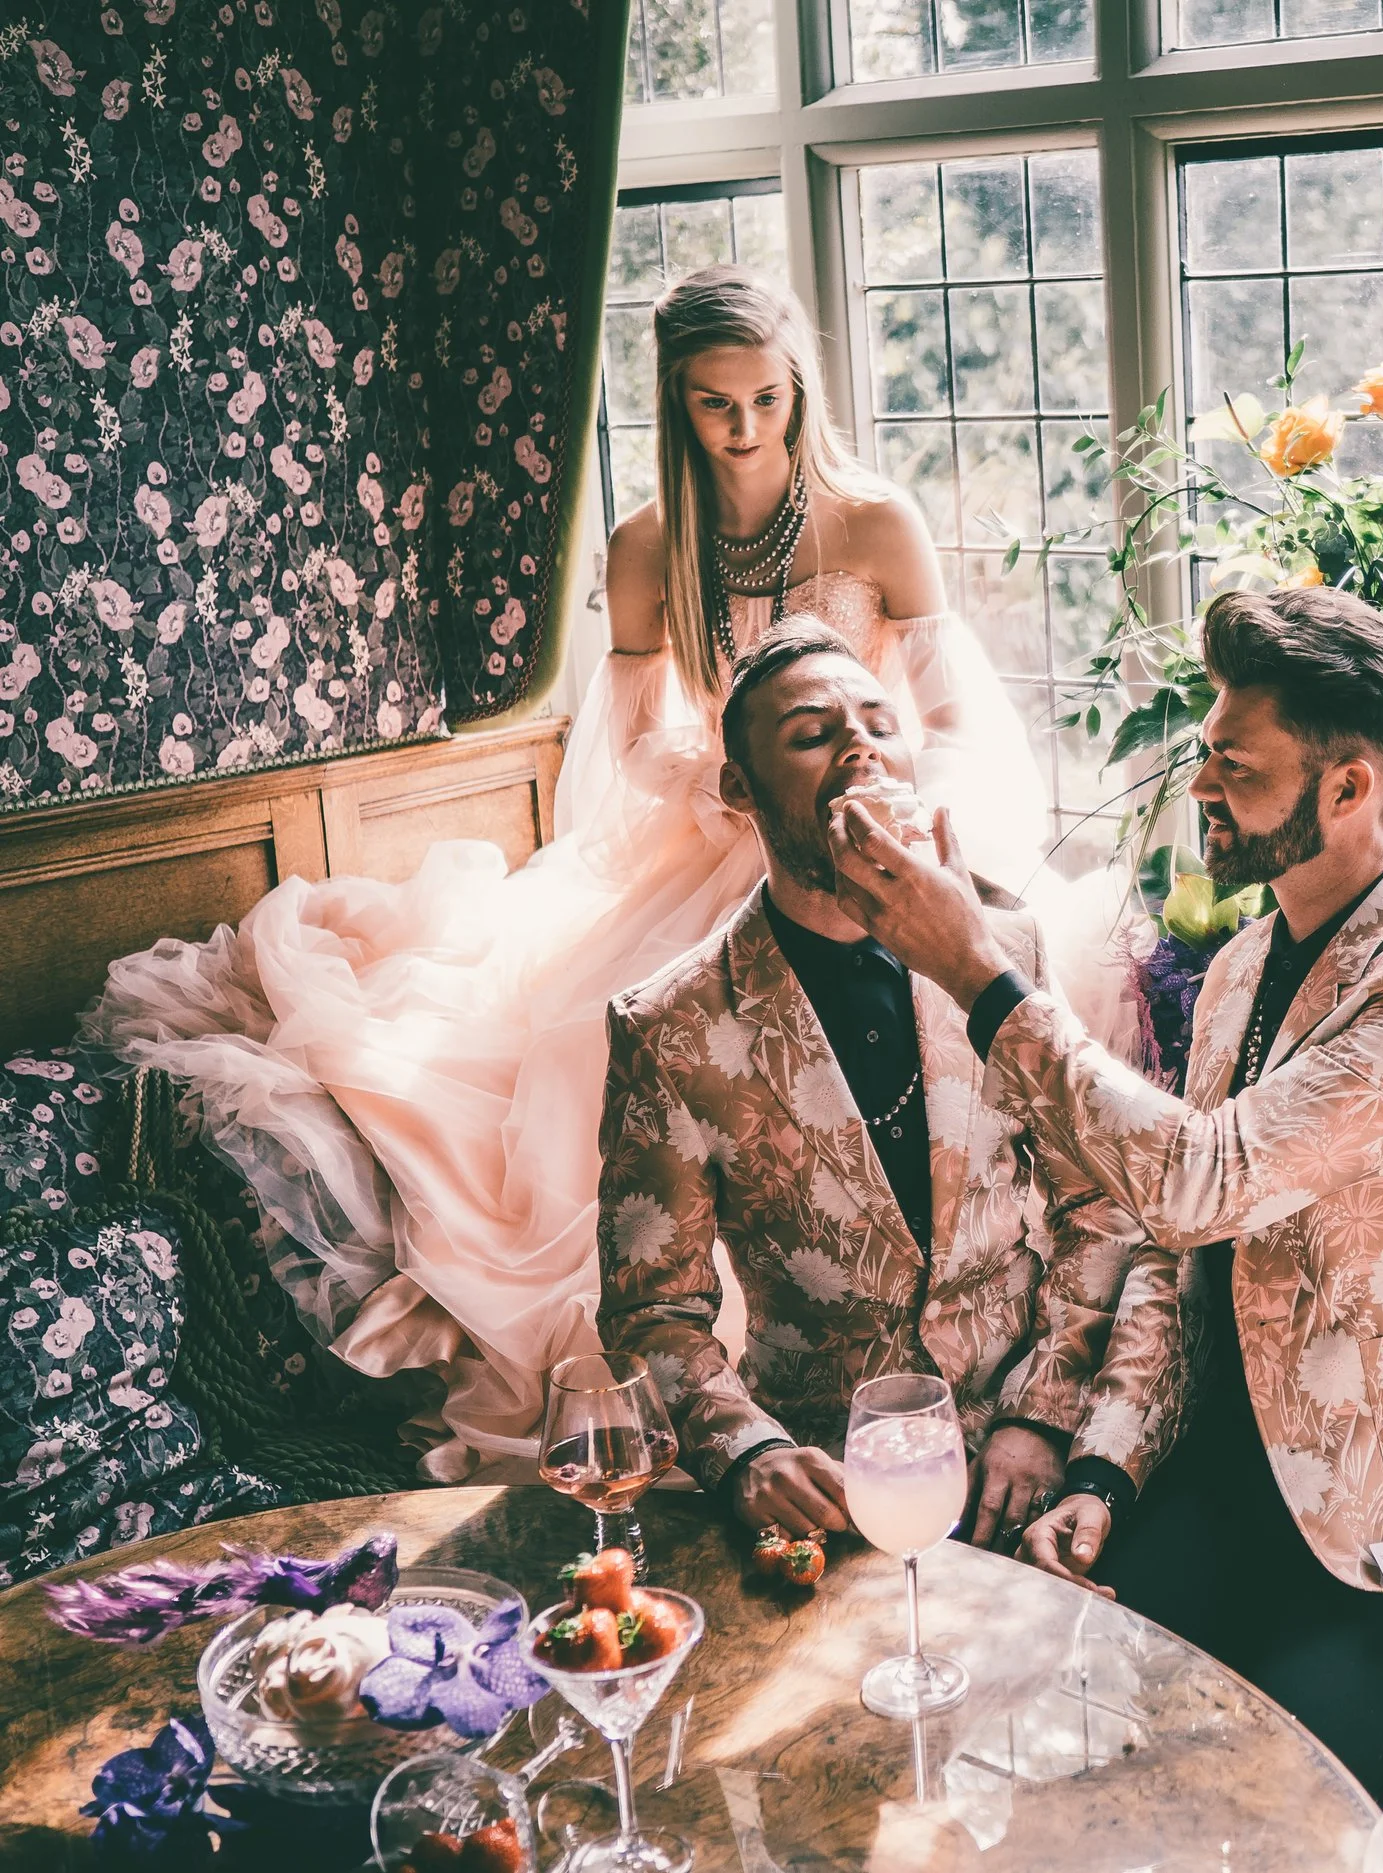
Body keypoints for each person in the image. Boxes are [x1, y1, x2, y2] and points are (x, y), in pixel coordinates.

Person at [82, 264, 1054, 1477]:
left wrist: (889, 801)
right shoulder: (651, 547)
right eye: (715, 404)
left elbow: (954, 721)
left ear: (798, 386)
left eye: (765, 398)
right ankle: (707, 1392)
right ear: (675, 401)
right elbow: (631, 739)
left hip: (865, 828)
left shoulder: (874, 524)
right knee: (574, 1066)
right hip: (716, 831)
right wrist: (715, 782)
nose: (746, 427)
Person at [820, 585, 1383, 1798]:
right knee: (1012, 1740)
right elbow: (1183, 1259)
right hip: (1236, 1486)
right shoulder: (1233, 971)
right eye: (1203, 753)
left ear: (1346, 790)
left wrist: (973, 963)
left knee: (1247, 1801)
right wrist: (1106, 1470)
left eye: (1235, 762)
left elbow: (1192, 1181)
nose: (1200, 786)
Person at [597, 620, 1137, 1543]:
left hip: (1028, 1472)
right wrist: (750, 1455)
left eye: (881, 724)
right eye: (812, 733)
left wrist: (1042, 1415)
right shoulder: (668, 1028)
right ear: (740, 788)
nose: (859, 744)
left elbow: (1097, 1202)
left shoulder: (1006, 950)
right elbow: (656, 1315)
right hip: (833, 1498)